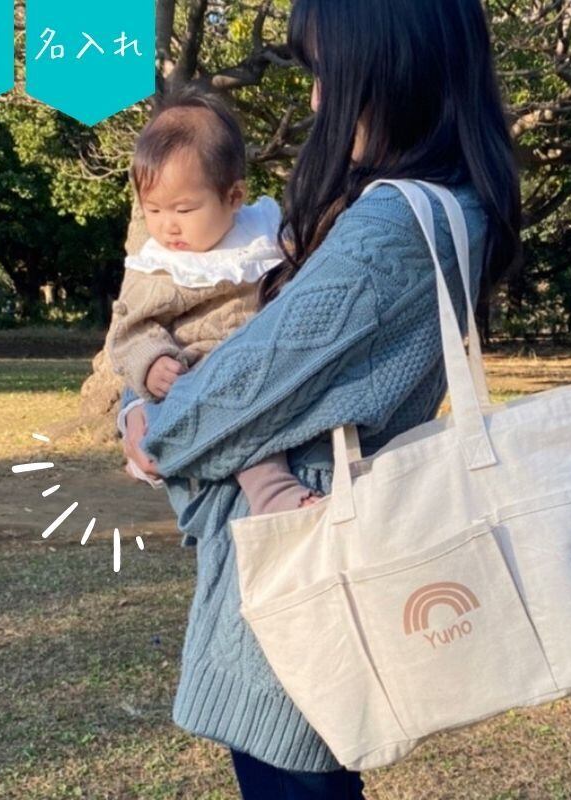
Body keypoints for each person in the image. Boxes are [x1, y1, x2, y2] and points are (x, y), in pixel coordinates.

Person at [122, 0, 520, 796]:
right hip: (329, 553)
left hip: (303, 568)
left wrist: (144, 416)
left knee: (293, 778)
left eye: (327, 74)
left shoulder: (390, 226)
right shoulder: (456, 205)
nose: (314, 100)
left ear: (393, 68)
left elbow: (231, 395)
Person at [111, 88, 323, 514]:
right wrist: (152, 363)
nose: (168, 226)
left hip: (266, 362)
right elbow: (130, 331)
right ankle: (273, 493)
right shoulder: (158, 266)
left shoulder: (263, 233)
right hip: (197, 373)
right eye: (154, 210)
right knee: (241, 420)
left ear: (234, 197)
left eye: (184, 209)